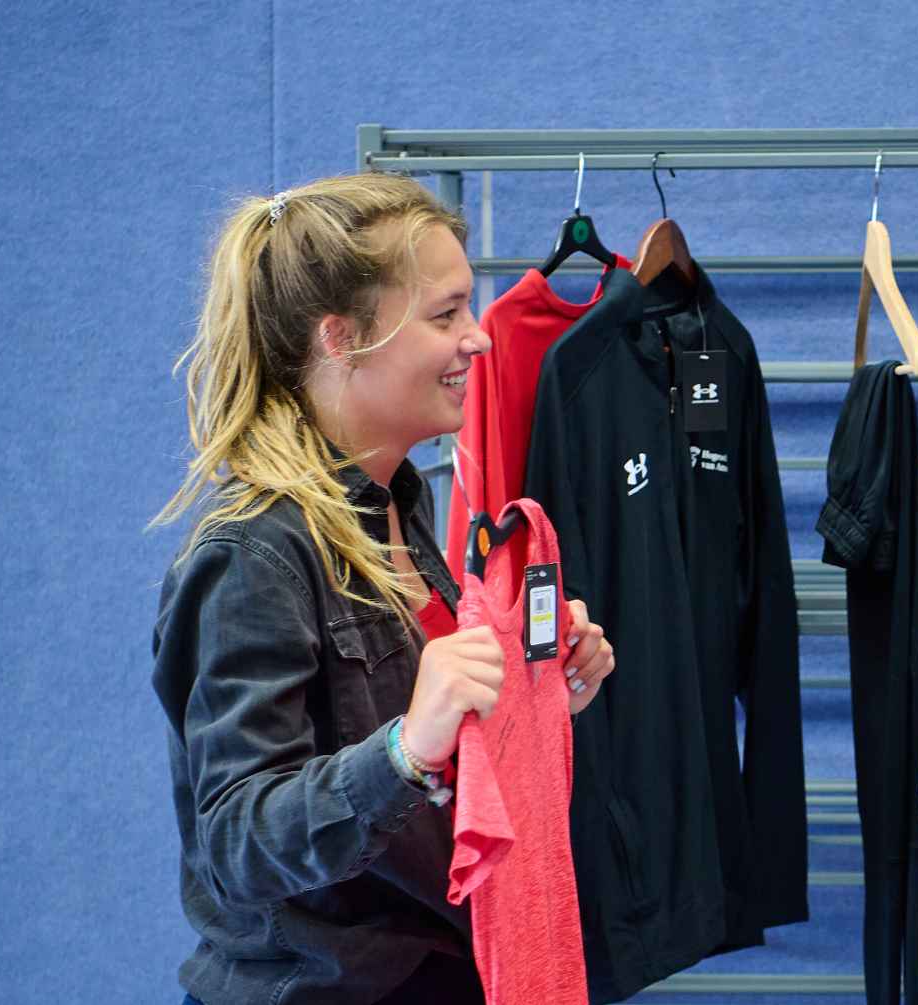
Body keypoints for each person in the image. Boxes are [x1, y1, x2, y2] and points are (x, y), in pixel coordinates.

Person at [151, 172, 616, 1005]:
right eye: (445, 316)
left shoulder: (401, 502)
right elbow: (236, 843)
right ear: (341, 338)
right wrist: (405, 746)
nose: (477, 339)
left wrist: (531, 691)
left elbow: (430, 764)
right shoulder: (252, 552)